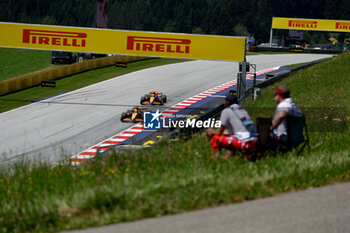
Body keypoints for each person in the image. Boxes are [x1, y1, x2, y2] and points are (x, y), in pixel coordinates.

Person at [206, 94, 258, 159]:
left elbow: (219, 132)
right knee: (229, 136)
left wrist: (211, 132)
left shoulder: (226, 111)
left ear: (225, 104)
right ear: (238, 102)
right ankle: (229, 157)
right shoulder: (243, 110)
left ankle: (215, 159)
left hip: (246, 143)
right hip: (256, 141)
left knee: (215, 138)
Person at [270, 85, 302, 149]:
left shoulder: (284, 104)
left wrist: (271, 127)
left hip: (285, 137)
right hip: (297, 136)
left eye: (275, 95)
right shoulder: (293, 105)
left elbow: (282, 115)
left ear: (279, 96)